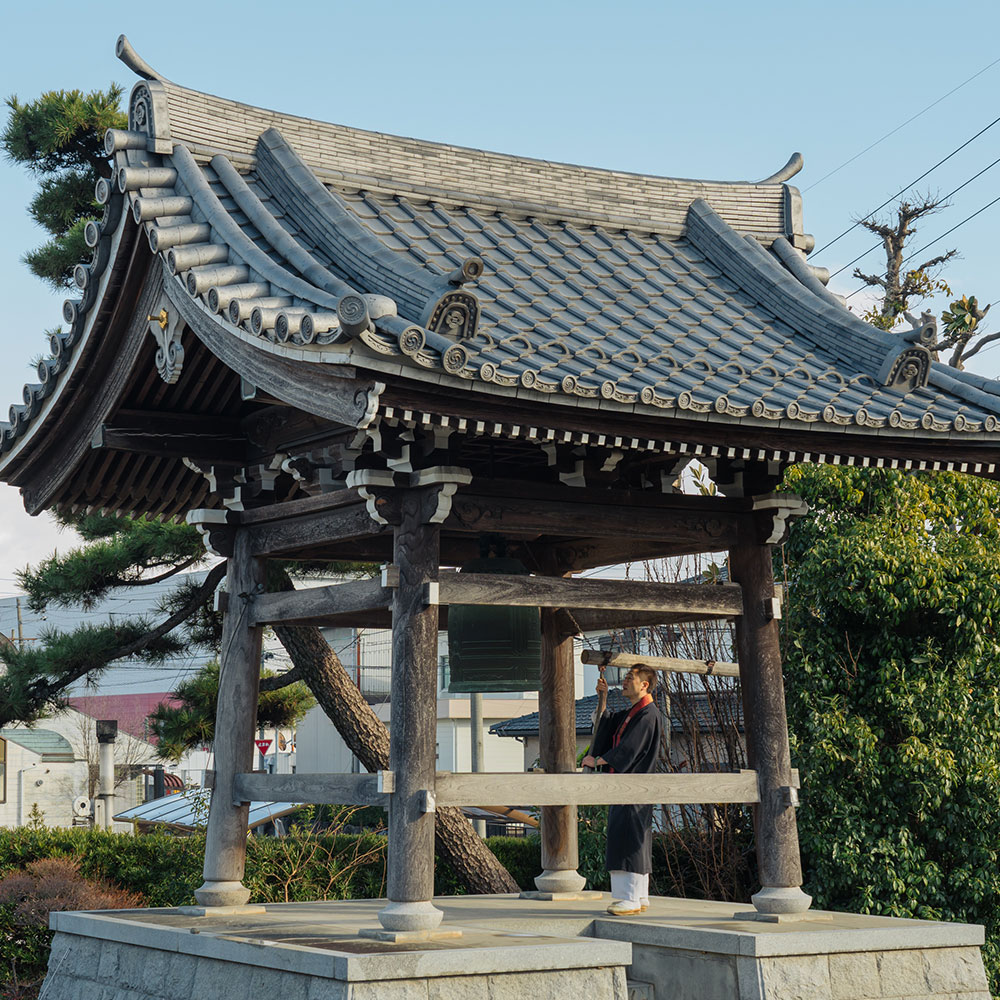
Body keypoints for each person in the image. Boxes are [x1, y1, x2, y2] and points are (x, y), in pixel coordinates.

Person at [581, 665, 662, 916]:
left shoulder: (648, 715)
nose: (625, 682)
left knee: (627, 839)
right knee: (635, 838)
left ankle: (629, 898)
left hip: (631, 785)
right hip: (631, 786)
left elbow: (628, 750)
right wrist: (603, 697)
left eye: (630, 678)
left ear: (644, 685)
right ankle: (639, 895)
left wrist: (598, 760)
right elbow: (606, 724)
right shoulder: (636, 713)